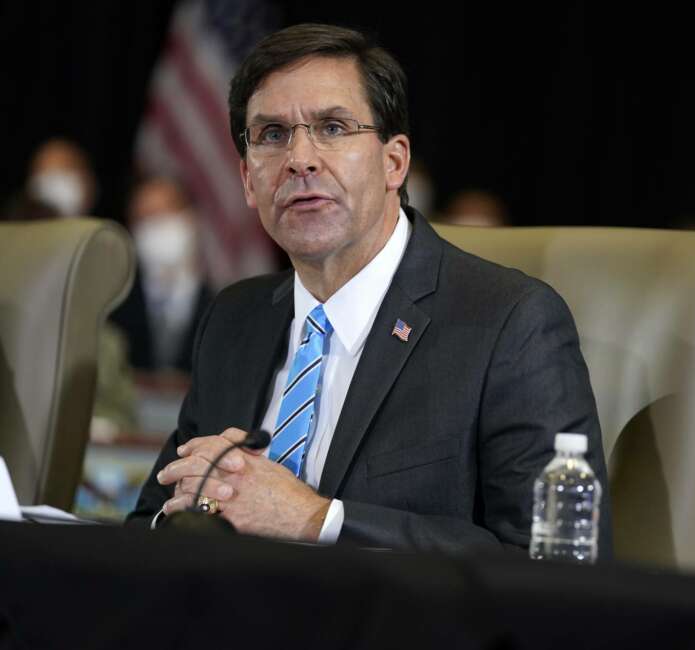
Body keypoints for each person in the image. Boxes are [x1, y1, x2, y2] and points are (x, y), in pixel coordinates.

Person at [127, 23, 611, 555]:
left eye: (332, 128)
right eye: (271, 135)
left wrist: (318, 520)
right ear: (246, 179)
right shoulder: (233, 318)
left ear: (394, 162)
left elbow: (551, 566)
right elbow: (151, 522)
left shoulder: (509, 324)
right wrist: (199, 509)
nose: (300, 159)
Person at [110, 176, 213, 376]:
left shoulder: (224, 308)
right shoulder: (114, 313)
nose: (157, 226)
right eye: (146, 218)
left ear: (191, 219)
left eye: (167, 213)